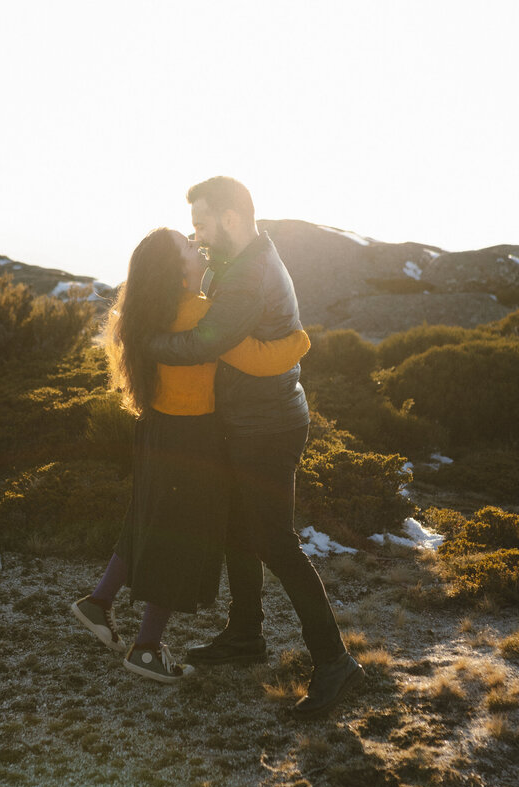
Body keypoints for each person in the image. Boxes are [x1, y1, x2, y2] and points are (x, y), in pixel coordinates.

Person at [146, 177, 363, 717]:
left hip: (266, 427)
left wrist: (142, 342)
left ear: (230, 218)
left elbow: (206, 341)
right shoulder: (240, 256)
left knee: (275, 541)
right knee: (239, 532)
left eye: (200, 223)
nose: (195, 236)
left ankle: (335, 663)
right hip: (249, 418)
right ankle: (245, 636)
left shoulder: (248, 273)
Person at [71, 227, 310, 684]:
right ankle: (146, 649)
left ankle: (98, 603)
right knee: (178, 537)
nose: (196, 247)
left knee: (148, 517)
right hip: (190, 438)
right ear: (176, 271)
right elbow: (260, 358)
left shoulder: (151, 312)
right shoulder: (198, 313)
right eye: (186, 247)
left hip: (158, 432)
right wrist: (301, 340)